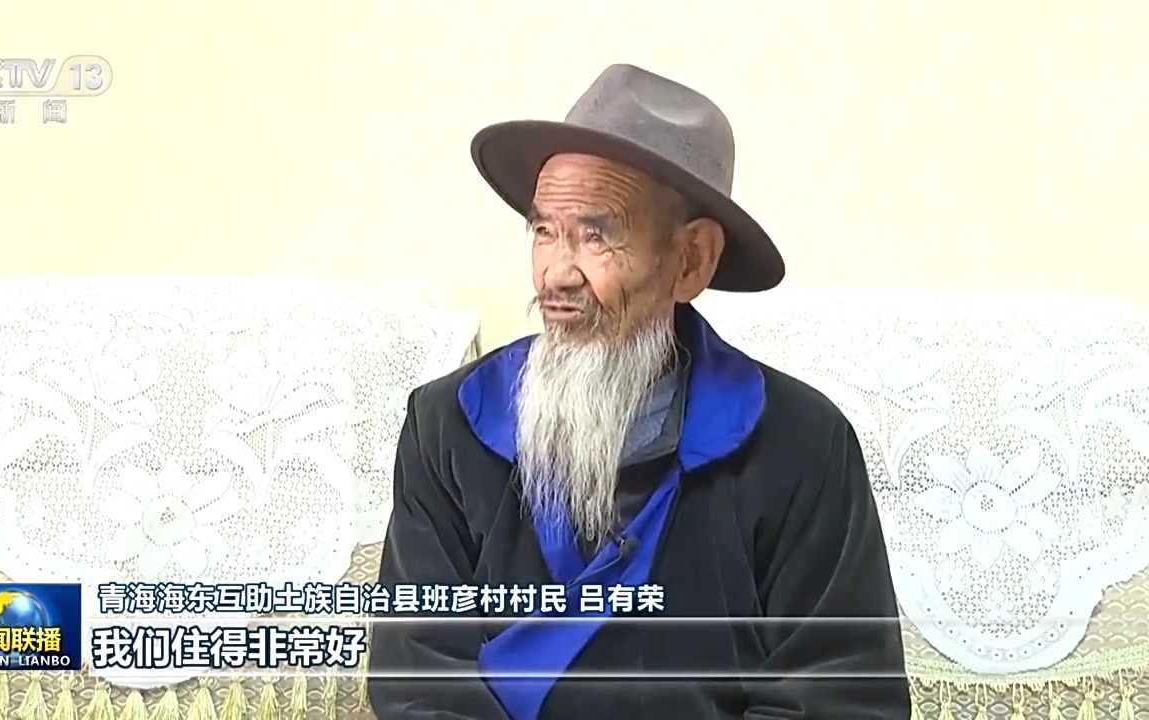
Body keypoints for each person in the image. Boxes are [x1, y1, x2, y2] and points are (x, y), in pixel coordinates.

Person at [368, 63, 910, 719]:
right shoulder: (448, 426)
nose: (555, 275)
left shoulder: (802, 445)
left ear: (691, 260)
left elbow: (841, 695)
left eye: (596, 235)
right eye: (544, 231)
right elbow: (421, 685)